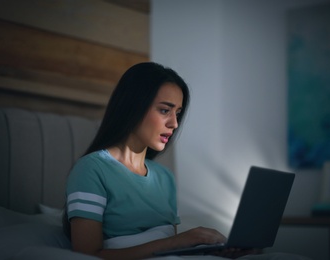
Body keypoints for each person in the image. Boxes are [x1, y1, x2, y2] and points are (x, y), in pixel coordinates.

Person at [63, 62, 248, 259]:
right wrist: (178, 241)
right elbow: (87, 255)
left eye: (177, 113)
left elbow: (174, 253)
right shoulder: (91, 170)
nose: (174, 124)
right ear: (133, 106)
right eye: (164, 110)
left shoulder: (165, 177)